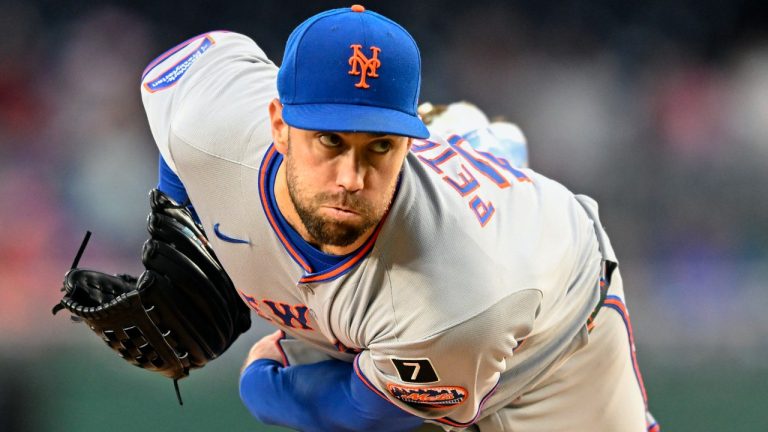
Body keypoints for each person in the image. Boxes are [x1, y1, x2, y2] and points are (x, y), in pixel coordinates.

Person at [139, 5, 658, 431]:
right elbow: (183, 91)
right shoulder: (211, 122)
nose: (350, 177)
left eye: (380, 146)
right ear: (277, 123)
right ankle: (469, 144)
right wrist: (183, 221)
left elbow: (357, 414)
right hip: (410, 305)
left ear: (407, 144)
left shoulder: (453, 305)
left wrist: (260, 383)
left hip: (554, 315)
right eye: (330, 140)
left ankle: (485, 159)